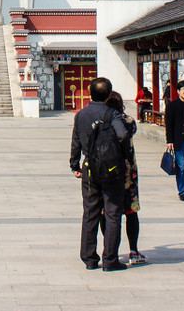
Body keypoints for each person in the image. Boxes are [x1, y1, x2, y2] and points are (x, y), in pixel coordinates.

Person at [69, 76, 133, 272]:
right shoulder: (113, 114)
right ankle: (110, 259)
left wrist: (75, 165)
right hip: (111, 169)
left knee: (90, 213)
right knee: (112, 213)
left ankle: (89, 258)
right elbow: (123, 135)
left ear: (90, 93)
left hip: (89, 167)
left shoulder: (81, 115)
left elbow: (76, 141)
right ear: (108, 94)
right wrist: (122, 155)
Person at [98, 92, 145, 266]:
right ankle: (133, 250)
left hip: (107, 172)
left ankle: (111, 249)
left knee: (106, 212)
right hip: (127, 174)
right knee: (131, 211)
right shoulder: (128, 121)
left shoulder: (101, 122)